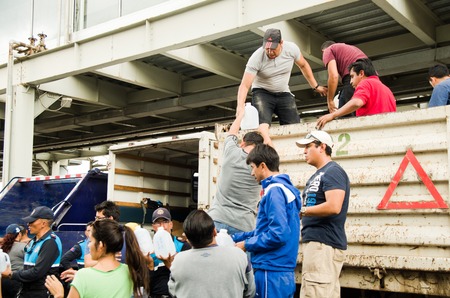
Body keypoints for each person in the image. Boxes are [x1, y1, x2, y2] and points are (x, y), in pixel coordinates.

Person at [237, 28, 327, 145]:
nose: (270, 52)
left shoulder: (291, 49)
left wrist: (316, 86)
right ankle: (266, 147)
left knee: (294, 126)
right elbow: (244, 85)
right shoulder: (256, 57)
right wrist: (240, 107)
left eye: (273, 48)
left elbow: (304, 65)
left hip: (283, 92)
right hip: (262, 92)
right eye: (267, 48)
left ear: (281, 43)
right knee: (263, 124)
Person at [233, 144, 301, 298]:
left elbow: (278, 234)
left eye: (252, 167)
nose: (252, 173)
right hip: (280, 271)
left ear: (262, 166)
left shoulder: (274, 191)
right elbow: (264, 231)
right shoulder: (285, 188)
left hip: (271, 271)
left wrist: (246, 245)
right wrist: (236, 238)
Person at [295, 130, 350, 298]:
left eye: (308, 146)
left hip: (323, 245)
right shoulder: (319, 174)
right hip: (318, 246)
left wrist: (302, 211)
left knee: (315, 293)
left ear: (322, 147)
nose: (304, 151)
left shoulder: (332, 171)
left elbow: (334, 206)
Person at [45, 219, 151, 298]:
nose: (88, 246)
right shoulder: (128, 271)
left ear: (100, 245)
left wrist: (59, 294)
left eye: (90, 241)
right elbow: (107, 281)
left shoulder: (83, 277)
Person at [168, 210, 255, 298]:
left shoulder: (178, 261)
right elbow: (250, 292)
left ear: (187, 239)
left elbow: (173, 292)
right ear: (214, 231)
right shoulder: (239, 256)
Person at [208, 110, 264, 235]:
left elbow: (232, 133)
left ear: (243, 142)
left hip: (217, 218)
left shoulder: (231, 151)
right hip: (243, 224)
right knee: (239, 255)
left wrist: (240, 116)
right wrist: (264, 132)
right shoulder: (261, 164)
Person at [316, 58, 396, 129]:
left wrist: (332, 115)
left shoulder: (365, 83)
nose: (351, 82)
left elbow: (357, 102)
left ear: (361, 73)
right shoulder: (387, 89)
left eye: (352, 76)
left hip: (372, 132)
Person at [1, 206, 62, 298]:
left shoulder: (50, 242)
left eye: (32, 221)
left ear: (43, 223)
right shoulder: (34, 241)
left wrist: (11, 274)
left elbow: (37, 272)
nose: (28, 224)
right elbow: (27, 269)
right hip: (28, 291)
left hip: (40, 293)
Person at [150, 207, 190, 298]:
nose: (162, 226)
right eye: (158, 223)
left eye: (165, 222)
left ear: (171, 224)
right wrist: (149, 264)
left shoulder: (183, 246)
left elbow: (188, 278)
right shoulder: (149, 249)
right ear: (153, 227)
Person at [321, 40, 368, 114]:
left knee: (349, 112)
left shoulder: (327, 50)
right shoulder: (349, 48)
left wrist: (330, 100)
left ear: (323, 51)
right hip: (371, 78)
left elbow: (334, 76)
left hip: (354, 76)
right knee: (345, 103)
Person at [0, 224, 26, 298]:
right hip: (16, 281)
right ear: (20, 234)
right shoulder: (24, 247)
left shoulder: (3, 247)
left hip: (2, 282)